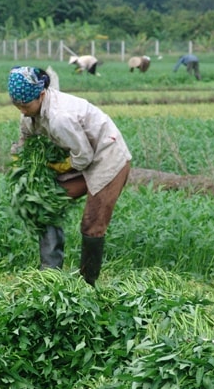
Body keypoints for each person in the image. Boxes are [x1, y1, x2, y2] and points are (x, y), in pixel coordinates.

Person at [8, 66, 132, 286]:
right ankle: (50, 276)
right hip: (81, 154)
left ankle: (87, 285)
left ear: (41, 95)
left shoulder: (59, 118)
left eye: (25, 105)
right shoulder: (28, 114)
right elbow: (25, 137)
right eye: (17, 105)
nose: (22, 110)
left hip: (106, 156)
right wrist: (19, 156)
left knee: (91, 225)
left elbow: (84, 157)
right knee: (45, 203)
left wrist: (61, 166)